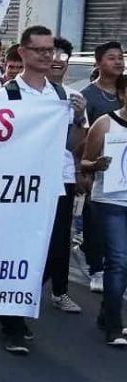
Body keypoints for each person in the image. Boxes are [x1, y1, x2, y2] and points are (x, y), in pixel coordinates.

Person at [0, 25, 87, 330]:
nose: (48, 56)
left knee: (53, 253)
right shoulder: (7, 95)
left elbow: (71, 144)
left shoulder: (63, 95)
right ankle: (12, 320)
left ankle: (13, 310)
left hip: (55, 184)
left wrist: (79, 121)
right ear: (23, 52)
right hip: (18, 188)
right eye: (41, 50)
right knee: (17, 251)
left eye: (51, 50)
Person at [80, 75, 127, 347]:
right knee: (118, 261)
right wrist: (95, 165)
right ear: (121, 93)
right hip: (110, 201)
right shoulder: (105, 123)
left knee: (123, 264)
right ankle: (113, 324)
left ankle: (105, 312)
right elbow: (85, 160)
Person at [79, 41, 125, 292]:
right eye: (111, 58)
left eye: (120, 57)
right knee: (96, 224)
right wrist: (86, 170)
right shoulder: (88, 96)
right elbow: (83, 139)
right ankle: (96, 268)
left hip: (124, 174)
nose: (118, 62)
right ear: (98, 63)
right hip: (99, 172)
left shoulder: (125, 90)